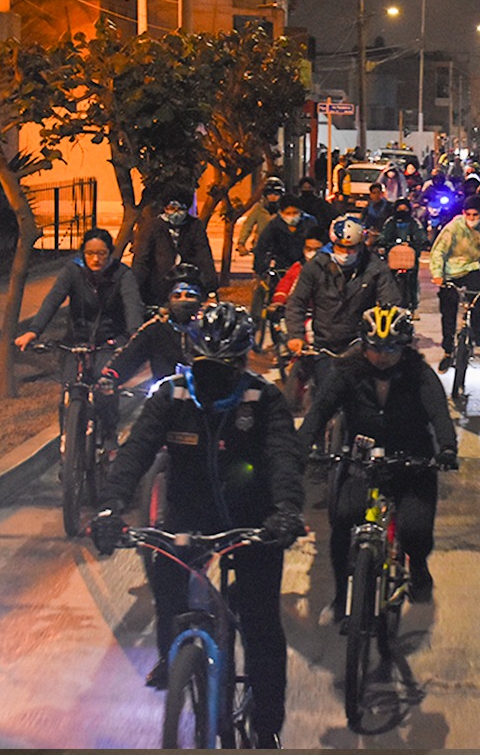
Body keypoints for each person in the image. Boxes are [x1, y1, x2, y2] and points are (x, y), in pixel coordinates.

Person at [89, 303, 305, 748]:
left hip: (254, 522)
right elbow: (136, 452)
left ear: (242, 361)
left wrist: (286, 509)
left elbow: (283, 456)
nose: (214, 375)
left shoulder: (263, 399)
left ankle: (267, 727)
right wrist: (110, 507)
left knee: (261, 623)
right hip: (187, 516)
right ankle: (178, 662)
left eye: (226, 366)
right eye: (206, 364)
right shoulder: (171, 396)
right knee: (167, 589)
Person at [300, 306, 457, 615]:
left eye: (391, 349)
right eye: (375, 348)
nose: (382, 356)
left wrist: (447, 449)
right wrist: (301, 447)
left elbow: (439, 413)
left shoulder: (419, 375)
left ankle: (419, 567)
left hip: (411, 459)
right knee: (343, 521)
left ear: (405, 347)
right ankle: (340, 597)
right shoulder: (346, 371)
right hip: (362, 459)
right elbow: (320, 411)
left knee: (414, 529)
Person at [16, 228, 144, 447]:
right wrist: (34, 331)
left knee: (105, 389)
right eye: (90, 253)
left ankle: (109, 434)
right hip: (75, 341)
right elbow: (53, 299)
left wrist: (135, 335)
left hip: (108, 341)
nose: (95, 259)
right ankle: (67, 443)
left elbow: (132, 305)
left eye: (101, 253)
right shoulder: (72, 270)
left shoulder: (122, 274)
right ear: (83, 252)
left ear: (110, 253)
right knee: (68, 390)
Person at [284, 215, 402, 387]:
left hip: (360, 344)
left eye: (352, 248)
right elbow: (297, 303)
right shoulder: (315, 267)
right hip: (324, 345)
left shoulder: (376, 268)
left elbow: (390, 303)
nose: (347, 253)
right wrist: (296, 336)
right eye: (341, 247)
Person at [428, 194, 480, 372]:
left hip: (473, 268)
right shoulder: (453, 227)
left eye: (475, 215)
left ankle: (476, 332)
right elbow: (438, 251)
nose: (471, 218)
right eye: (468, 214)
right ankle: (448, 351)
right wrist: (438, 274)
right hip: (451, 271)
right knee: (448, 311)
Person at [100, 264, 204, 389]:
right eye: (177, 296)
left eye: (190, 296)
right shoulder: (155, 329)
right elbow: (130, 355)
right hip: (165, 395)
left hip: (203, 395)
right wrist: (111, 376)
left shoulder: (211, 329)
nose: (183, 300)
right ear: (168, 300)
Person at [132, 193, 217, 307]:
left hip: (187, 284)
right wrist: (135, 288)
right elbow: (142, 259)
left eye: (181, 209)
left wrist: (211, 288)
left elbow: (204, 257)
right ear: (165, 208)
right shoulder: (151, 226)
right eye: (172, 208)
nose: (176, 213)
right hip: (157, 288)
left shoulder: (195, 226)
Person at [378, 197, 428, 315]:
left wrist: (417, 245)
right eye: (399, 209)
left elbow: (421, 237)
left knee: (412, 281)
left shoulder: (414, 223)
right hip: (392, 258)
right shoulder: (390, 222)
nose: (402, 212)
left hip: (410, 259)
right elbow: (384, 236)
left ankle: (413, 305)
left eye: (404, 209)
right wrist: (384, 245)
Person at [253, 194, 322, 278]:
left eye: (295, 213)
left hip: (305, 266)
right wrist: (260, 270)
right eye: (288, 213)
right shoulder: (274, 225)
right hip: (282, 267)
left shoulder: (309, 223)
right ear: (281, 213)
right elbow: (262, 247)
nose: (292, 216)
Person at [237, 176, 286, 256]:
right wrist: (241, 243)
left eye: (276, 194)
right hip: (262, 247)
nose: (273, 196)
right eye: (269, 193)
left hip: (282, 248)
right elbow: (248, 225)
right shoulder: (259, 208)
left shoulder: (287, 209)